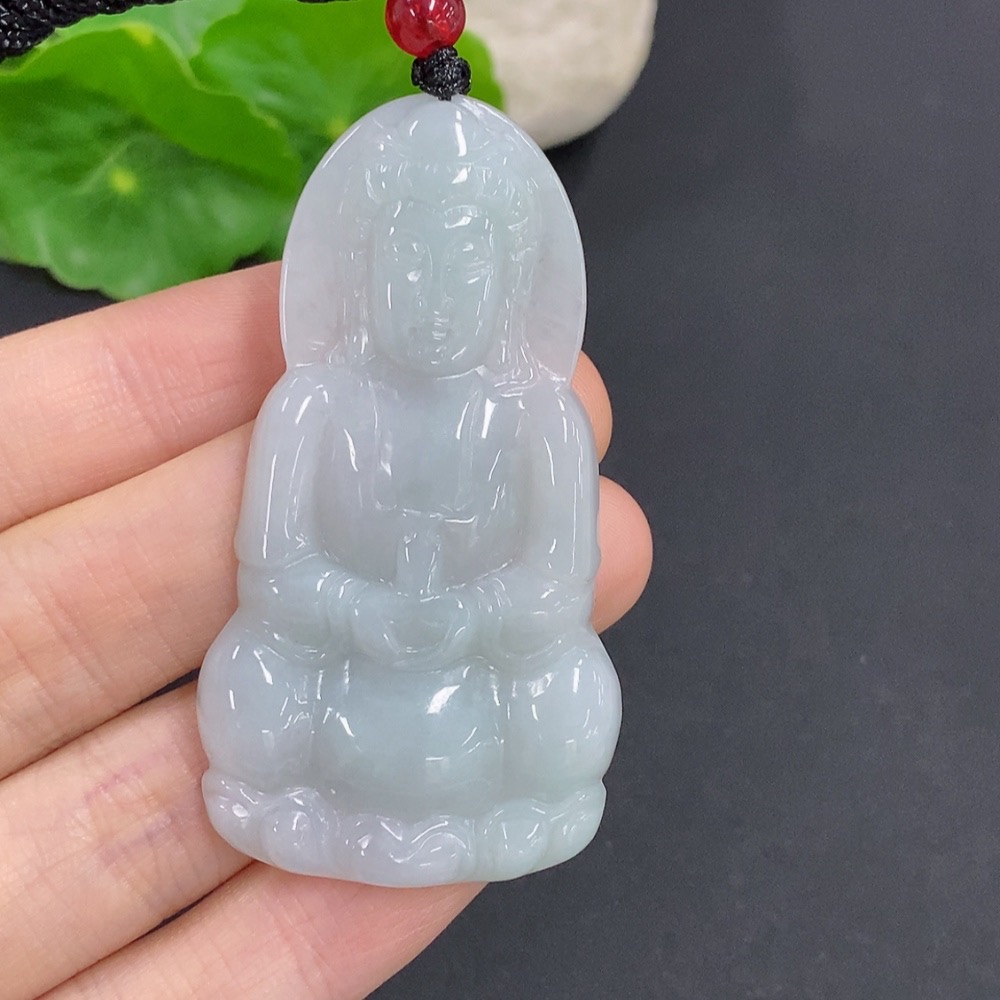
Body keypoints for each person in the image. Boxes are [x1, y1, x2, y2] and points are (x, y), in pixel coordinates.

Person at [0, 263, 651, 999]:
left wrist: (469, 615)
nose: (434, 301)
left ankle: (530, 802)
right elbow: (274, 573)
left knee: (565, 674)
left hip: (480, 679)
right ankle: (282, 798)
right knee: (257, 664)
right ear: (364, 281)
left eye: (462, 273)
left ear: (507, 288)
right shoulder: (312, 403)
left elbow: (557, 588)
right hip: (338, 673)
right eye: (410, 269)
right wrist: (358, 611)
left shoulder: (542, 416)